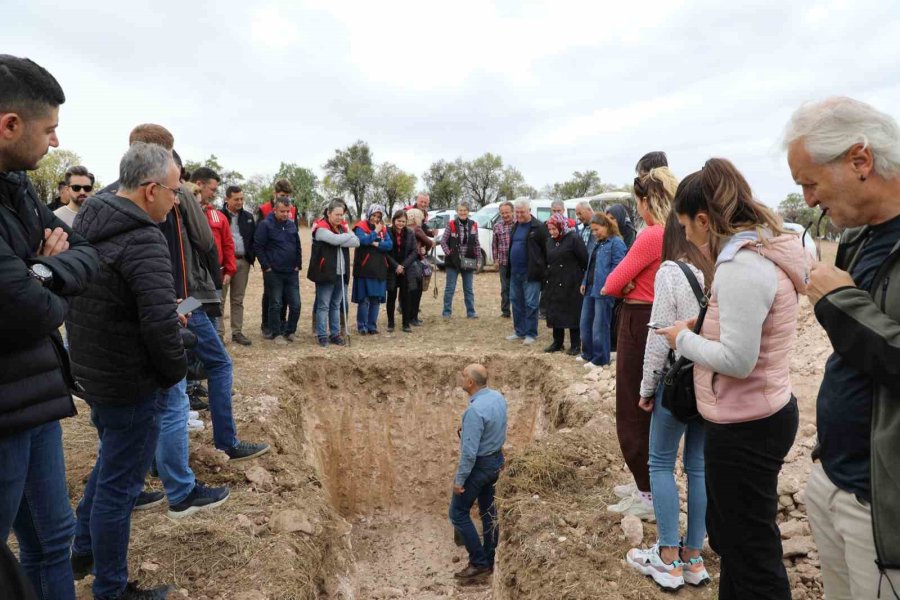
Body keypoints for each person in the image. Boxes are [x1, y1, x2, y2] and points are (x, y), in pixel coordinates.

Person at [656, 158, 807, 599]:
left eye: (685, 225)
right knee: (735, 539)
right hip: (754, 416)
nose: (684, 236)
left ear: (704, 220)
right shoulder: (757, 254)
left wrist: (682, 340)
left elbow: (739, 361)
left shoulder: (742, 266)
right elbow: (744, 331)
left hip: (747, 427)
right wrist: (702, 327)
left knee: (750, 550)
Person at [784, 97, 900, 598]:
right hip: (834, 478)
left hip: (883, 503)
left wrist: (840, 301)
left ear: (860, 160)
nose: (808, 200)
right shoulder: (857, 238)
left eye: (810, 182)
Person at [67, 142, 187, 600]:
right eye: (174, 192)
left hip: (98, 373)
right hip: (130, 382)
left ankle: (82, 548)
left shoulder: (90, 222)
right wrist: (175, 369)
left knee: (109, 466)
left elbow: (118, 305)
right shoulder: (142, 237)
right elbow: (158, 325)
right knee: (120, 488)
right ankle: (112, 588)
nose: (176, 201)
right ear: (151, 189)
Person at [0, 54, 99, 600]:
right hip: (4, 411)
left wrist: (40, 270)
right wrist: (47, 278)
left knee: (53, 537)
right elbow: (27, 311)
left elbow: (84, 254)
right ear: (9, 125)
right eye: (49, 129)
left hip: (36, 395)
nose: (55, 143)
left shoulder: (17, 188)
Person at [625, 210, 715, 591]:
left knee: (660, 462)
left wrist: (646, 389)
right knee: (698, 466)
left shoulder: (670, 273)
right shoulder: (718, 268)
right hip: (711, 378)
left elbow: (659, 335)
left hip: (677, 382)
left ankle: (667, 558)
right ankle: (693, 557)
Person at [602, 167, 677, 520]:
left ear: (647, 202)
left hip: (638, 320)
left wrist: (628, 286)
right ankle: (644, 483)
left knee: (632, 406)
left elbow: (611, 284)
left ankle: (645, 493)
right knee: (649, 405)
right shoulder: (676, 233)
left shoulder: (651, 235)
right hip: (660, 318)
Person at [449, 364, 507, 582]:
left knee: (458, 513)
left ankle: (479, 564)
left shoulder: (474, 411)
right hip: (496, 461)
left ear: (471, 383)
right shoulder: (497, 398)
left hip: (479, 466)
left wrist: (460, 480)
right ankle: (491, 558)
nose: (462, 378)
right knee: (488, 512)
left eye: (464, 376)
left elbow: (469, 454)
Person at [191, 168, 236, 341]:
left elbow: (227, 244)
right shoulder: (179, 214)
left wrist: (229, 271)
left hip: (213, 276)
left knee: (213, 312)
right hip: (191, 280)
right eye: (212, 189)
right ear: (199, 185)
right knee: (189, 312)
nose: (214, 194)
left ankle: (215, 345)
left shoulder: (217, 216)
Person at [308, 199, 359, 346]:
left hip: (341, 273)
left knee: (336, 304)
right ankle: (322, 334)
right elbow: (334, 240)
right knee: (323, 305)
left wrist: (343, 237)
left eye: (341, 215)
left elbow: (357, 242)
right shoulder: (320, 228)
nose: (339, 218)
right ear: (328, 213)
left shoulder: (342, 227)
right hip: (325, 273)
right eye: (336, 214)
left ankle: (335, 334)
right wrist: (347, 236)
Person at [579, 213, 626, 367]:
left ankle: (600, 359)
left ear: (606, 226)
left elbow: (618, 267)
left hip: (604, 289)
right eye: (592, 230)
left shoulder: (616, 243)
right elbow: (590, 265)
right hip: (590, 287)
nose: (594, 233)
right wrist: (584, 281)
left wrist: (610, 285)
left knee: (600, 325)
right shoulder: (596, 242)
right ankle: (587, 353)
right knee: (585, 322)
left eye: (597, 229)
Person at [254, 196, 302, 344]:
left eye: (288, 211)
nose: (286, 214)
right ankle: (276, 334)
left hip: (291, 272)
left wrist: (297, 265)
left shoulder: (292, 225)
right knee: (276, 303)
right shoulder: (265, 225)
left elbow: (297, 245)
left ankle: (290, 331)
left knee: (296, 304)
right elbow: (258, 246)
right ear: (275, 209)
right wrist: (266, 267)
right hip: (274, 272)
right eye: (282, 211)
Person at [543, 213, 588, 354]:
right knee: (556, 311)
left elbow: (584, 260)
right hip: (554, 281)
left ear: (561, 226)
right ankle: (558, 342)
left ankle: (575, 344)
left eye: (554, 229)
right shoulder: (549, 241)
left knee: (572, 312)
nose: (552, 232)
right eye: (549, 229)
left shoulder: (574, 238)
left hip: (571, 281)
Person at [505, 198, 549, 345]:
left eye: (522, 212)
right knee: (516, 302)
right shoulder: (515, 226)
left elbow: (546, 251)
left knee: (531, 304)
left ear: (529, 210)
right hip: (515, 273)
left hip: (531, 273)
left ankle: (531, 333)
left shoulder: (539, 228)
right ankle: (519, 331)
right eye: (517, 212)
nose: (519, 215)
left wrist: (542, 269)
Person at [259, 179, 297, 336]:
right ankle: (267, 324)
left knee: (285, 296)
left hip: (287, 262)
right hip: (270, 260)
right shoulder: (263, 209)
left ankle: (282, 322)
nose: (286, 198)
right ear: (275, 194)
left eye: (288, 195)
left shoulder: (292, 209)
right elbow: (258, 238)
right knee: (271, 294)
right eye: (282, 195)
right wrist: (265, 264)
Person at [220, 185, 255, 346]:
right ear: (227, 199)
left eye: (242, 198)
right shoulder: (218, 215)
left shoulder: (248, 217)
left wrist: (250, 258)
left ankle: (237, 332)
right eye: (236, 199)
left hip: (243, 262)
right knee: (220, 300)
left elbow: (253, 239)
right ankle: (218, 334)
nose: (240, 202)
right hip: (224, 264)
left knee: (238, 299)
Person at [352, 204, 392, 334]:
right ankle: (362, 326)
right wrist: (374, 233)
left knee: (376, 300)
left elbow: (389, 245)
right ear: (369, 215)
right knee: (364, 300)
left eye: (378, 216)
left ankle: (372, 326)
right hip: (364, 269)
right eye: (374, 215)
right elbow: (362, 241)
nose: (376, 218)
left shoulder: (384, 229)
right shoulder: (360, 227)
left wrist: (376, 243)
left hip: (379, 268)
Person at [441, 201, 480, 319]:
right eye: (460, 210)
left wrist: (478, 260)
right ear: (457, 212)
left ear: (468, 211)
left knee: (468, 288)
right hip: (453, 262)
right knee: (450, 288)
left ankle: (471, 312)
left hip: (468, 260)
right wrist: (449, 253)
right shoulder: (451, 224)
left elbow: (477, 244)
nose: (463, 212)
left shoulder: (473, 225)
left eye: (465, 210)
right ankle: (446, 312)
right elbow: (443, 241)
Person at [386, 210, 418, 333]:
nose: (400, 223)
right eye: (398, 221)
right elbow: (385, 252)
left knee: (405, 297)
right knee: (391, 297)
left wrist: (403, 266)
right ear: (394, 220)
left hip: (406, 269)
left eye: (403, 221)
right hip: (392, 269)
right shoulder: (387, 232)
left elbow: (414, 251)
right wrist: (396, 266)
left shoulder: (410, 233)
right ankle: (390, 323)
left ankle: (405, 324)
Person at [405, 207, 433, 325]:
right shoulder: (417, 229)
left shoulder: (404, 228)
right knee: (417, 291)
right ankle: (414, 317)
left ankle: (409, 316)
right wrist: (425, 251)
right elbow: (429, 242)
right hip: (416, 261)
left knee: (409, 291)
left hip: (406, 262)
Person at [492, 201, 514, 318]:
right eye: (502, 213)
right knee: (504, 288)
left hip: (516, 263)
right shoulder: (497, 226)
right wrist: (495, 260)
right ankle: (505, 311)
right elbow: (494, 244)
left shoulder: (518, 224)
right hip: (503, 263)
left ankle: (517, 309)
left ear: (512, 212)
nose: (505, 215)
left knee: (516, 287)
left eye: (507, 212)